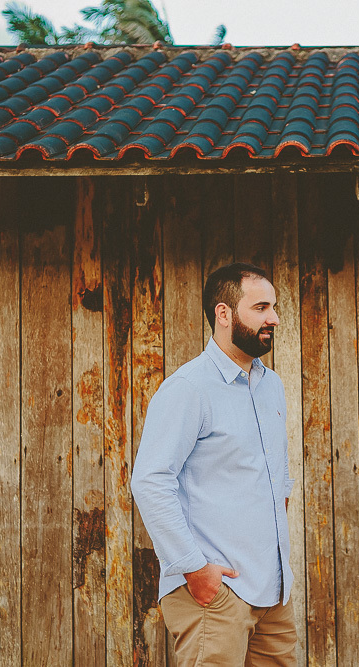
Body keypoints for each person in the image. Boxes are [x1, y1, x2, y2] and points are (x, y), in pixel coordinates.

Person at [130, 262, 297, 666]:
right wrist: (194, 569)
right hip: (215, 597)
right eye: (260, 307)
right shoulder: (189, 390)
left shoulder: (270, 386)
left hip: (272, 594)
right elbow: (151, 481)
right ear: (224, 314)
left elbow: (275, 481)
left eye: (273, 307)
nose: (273, 317)